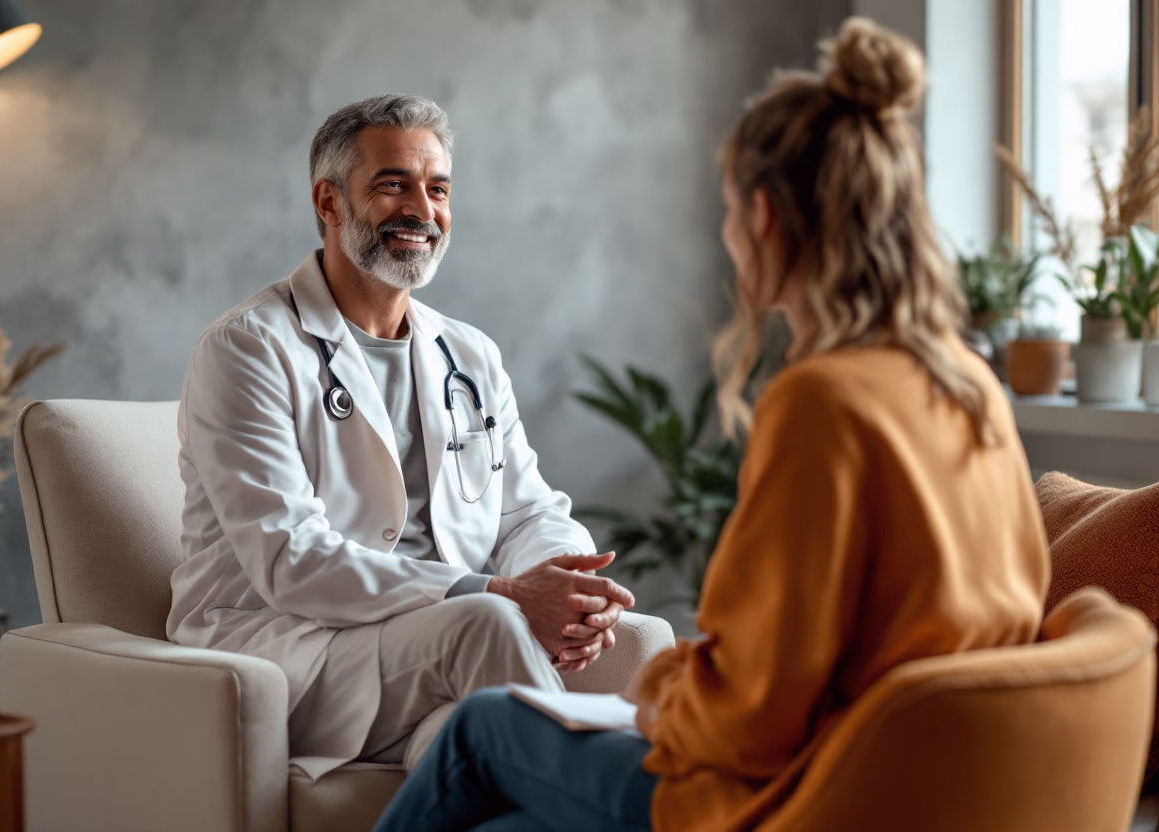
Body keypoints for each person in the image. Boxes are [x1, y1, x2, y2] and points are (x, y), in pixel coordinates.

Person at [371, 17, 1051, 832]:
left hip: (803, 794)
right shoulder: (969, 382)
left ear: (763, 216)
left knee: (485, 726)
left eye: (728, 209)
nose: (728, 234)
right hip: (933, 784)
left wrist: (659, 685)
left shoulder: (821, 402)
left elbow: (752, 710)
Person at [166, 94, 636, 770]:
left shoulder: (468, 354)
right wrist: (498, 593)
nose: (421, 209)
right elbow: (291, 558)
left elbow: (527, 511)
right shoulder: (247, 348)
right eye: (393, 185)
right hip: (290, 648)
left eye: (437, 189)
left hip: (427, 652)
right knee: (487, 624)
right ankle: (619, 800)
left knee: (468, 747)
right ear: (328, 202)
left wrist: (570, 585)